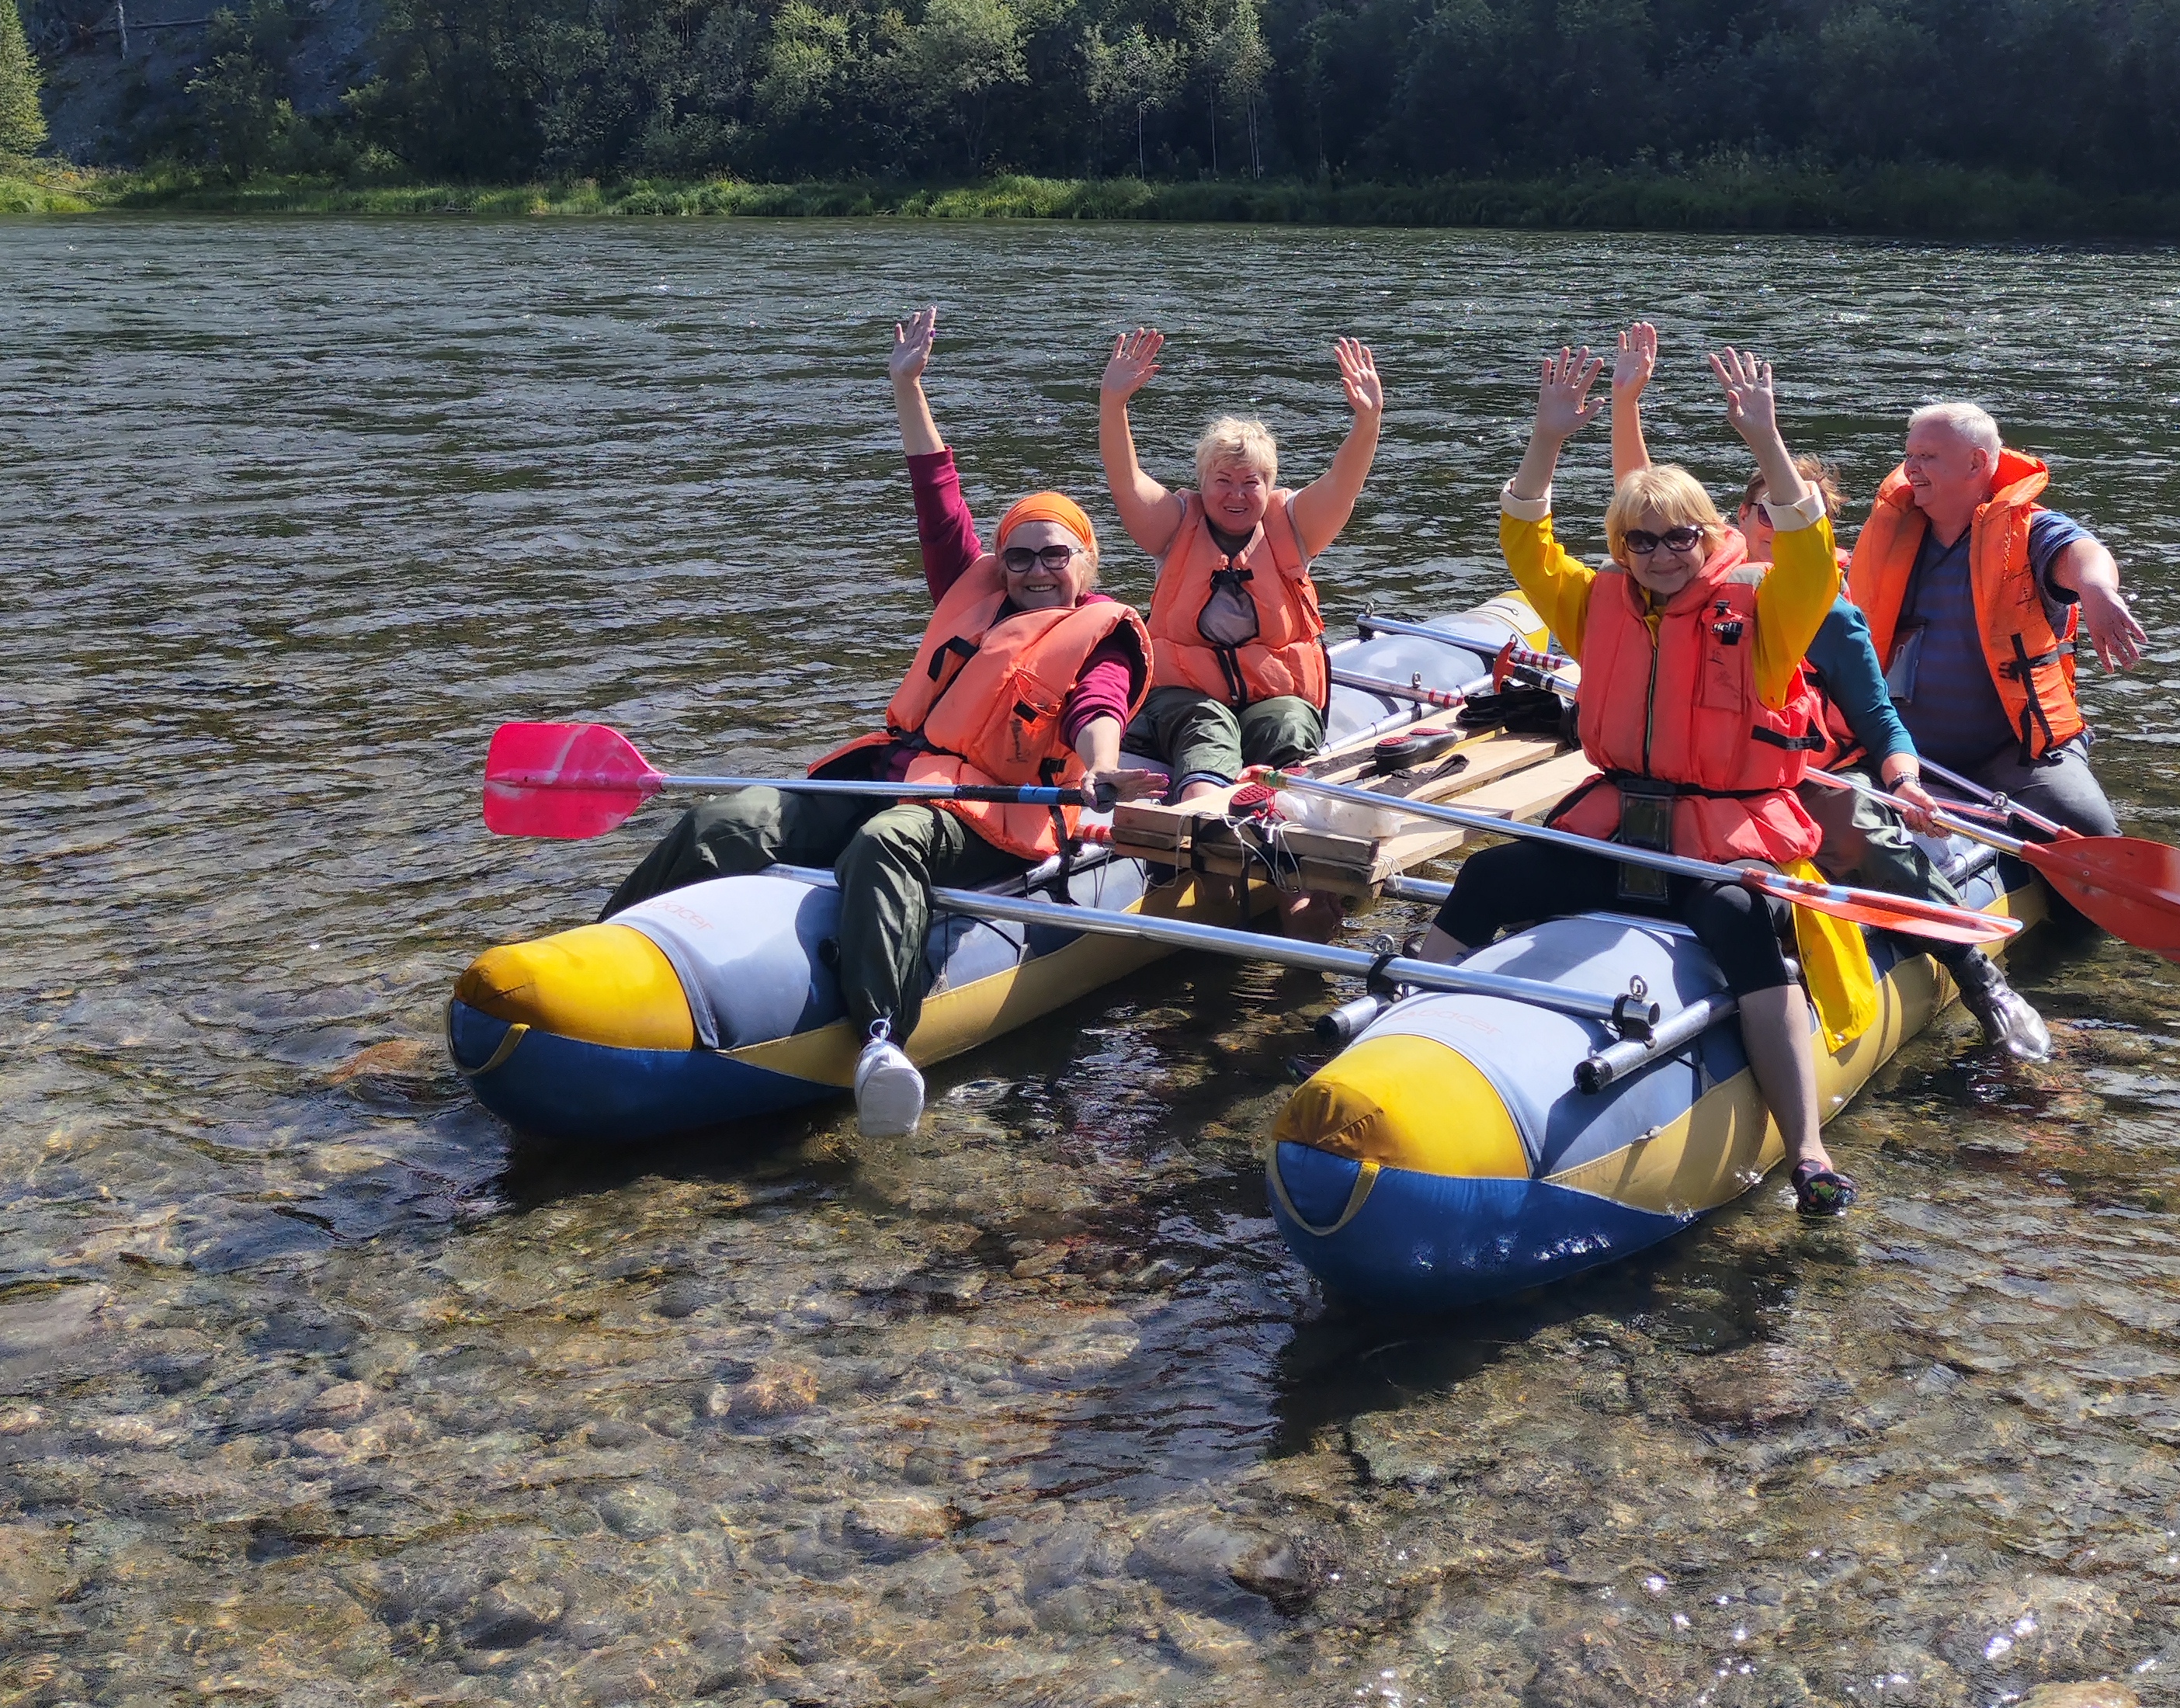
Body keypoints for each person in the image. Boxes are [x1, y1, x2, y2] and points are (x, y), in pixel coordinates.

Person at [602, 305, 1150, 1139]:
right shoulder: (972, 591)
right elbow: (936, 492)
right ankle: (609, 943)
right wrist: (907, 385)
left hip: (993, 817)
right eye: (1020, 554)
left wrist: (1100, 771)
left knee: (886, 845)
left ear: (1086, 562)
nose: (1036, 569)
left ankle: (882, 1039)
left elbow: (1096, 711)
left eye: (1055, 554)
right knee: (733, 818)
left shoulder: (1100, 635)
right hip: (892, 769)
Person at [1407, 341, 1862, 1217]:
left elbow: (1809, 550)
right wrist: (1546, 440)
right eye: (1641, 541)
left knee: (1742, 929)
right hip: (1617, 829)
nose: (1660, 555)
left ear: (1710, 536)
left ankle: (1806, 1149)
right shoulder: (1596, 604)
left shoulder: (1767, 612)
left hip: (1717, 847)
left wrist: (1766, 440)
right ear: (1621, 545)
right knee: (1491, 872)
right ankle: (1405, 1014)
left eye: (1679, 537)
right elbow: (1525, 539)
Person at [1605, 322, 2048, 1062]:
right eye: (1761, 515)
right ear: (1734, 524)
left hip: (1797, 779)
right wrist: (1627, 406)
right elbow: (1640, 500)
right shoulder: (1689, 573)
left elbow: (1879, 720)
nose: (1774, 530)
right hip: (1689, 785)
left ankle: (1976, 975)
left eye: (1792, 517)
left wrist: (1903, 779)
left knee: (1851, 818)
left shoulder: (1828, 614)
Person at [1095, 325, 1384, 805]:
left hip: (1275, 697)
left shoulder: (1293, 526)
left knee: (1288, 724)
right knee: (1207, 727)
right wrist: (1113, 404)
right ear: (1202, 481)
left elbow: (1343, 483)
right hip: (1186, 698)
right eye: (1222, 480)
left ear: (1268, 485)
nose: (1235, 494)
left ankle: (1281, 821)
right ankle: (1203, 818)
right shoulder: (1174, 525)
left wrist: (1367, 422)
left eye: (1250, 482)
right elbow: (1126, 482)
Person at [1845, 397, 2144, 842]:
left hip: (2016, 754)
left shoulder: (2027, 532)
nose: (1912, 469)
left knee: (2087, 830)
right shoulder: (1895, 534)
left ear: (1976, 462)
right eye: (1909, 456)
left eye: (1927, 457)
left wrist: (2097, 589)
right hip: (1904, 752)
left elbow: (2080, 553)